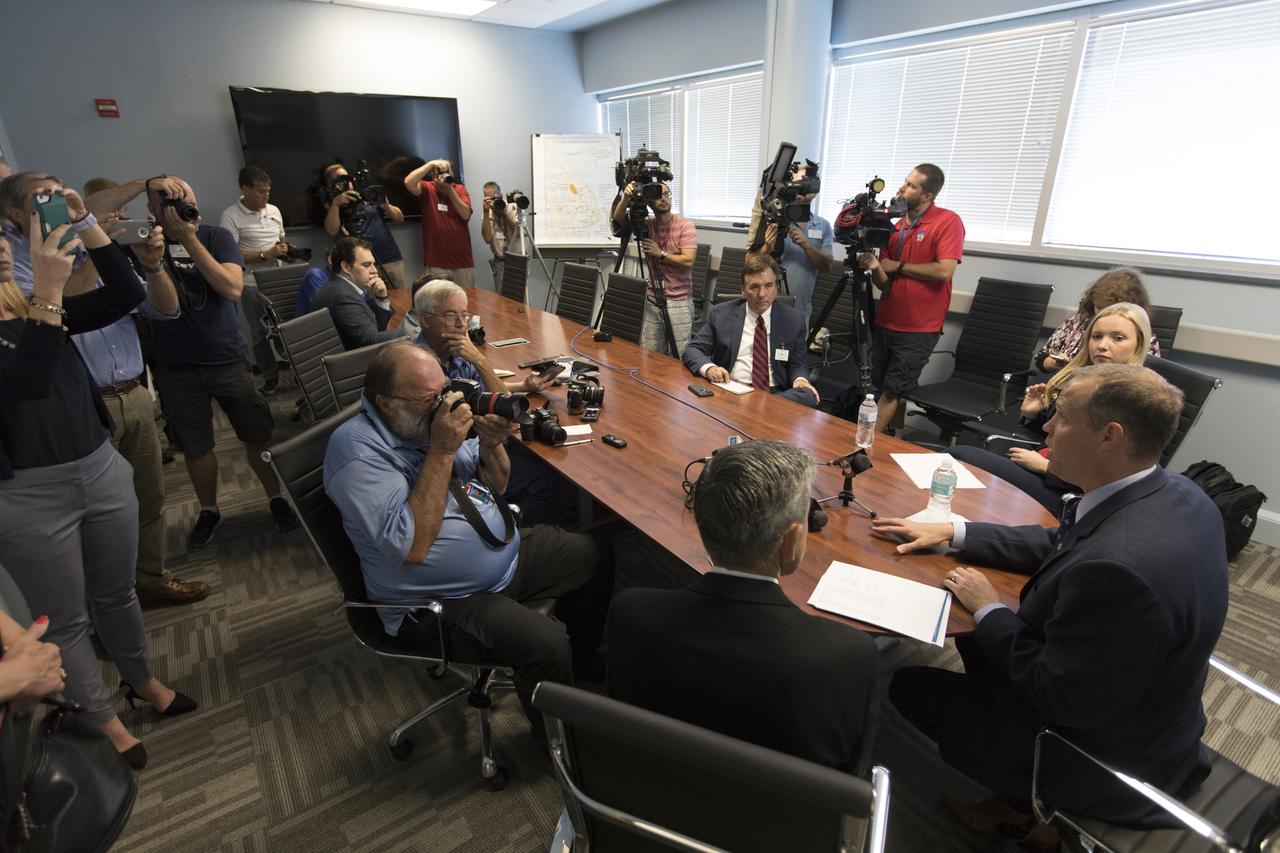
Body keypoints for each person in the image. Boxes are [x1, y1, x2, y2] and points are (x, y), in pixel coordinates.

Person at [873, 364, 1228, 836]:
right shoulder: (1178, 492)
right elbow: (1062, 542)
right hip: (1157, 711)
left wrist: (988, 608)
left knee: (906, 685)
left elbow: (1056, 693)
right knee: (980, 641)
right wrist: (954, 532)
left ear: (1109, 436)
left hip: (1103, 758)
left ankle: (1026, 809)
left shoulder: (1119, 572)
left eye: (1060, 418)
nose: (1045, 428)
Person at [322, 341, 613, 737]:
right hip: (436, 602)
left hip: (499, 555)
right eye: (430, 398)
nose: (445, 405)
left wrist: (492, 443)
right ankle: (563, 752)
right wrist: (442, 449)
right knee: (546, 643)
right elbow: (412, 546)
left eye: (444, 391)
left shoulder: (419, 421)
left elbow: (498, 483)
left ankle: (578, 666)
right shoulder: (357, 452)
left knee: (594, 554)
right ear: (386, 403)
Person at [0, 200, 197, 769]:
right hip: (27, 494)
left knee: (118, 592)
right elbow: (28, 382)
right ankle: (97, 715)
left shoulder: (29, 305)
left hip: (97, 465)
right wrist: (47, 293)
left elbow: (126, 295)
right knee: (64, 618)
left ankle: (142, 680)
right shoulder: (38, 305)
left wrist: (89, 227)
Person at [608, 439, 878, 772]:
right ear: (792, 540)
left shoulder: (631, 613)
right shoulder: (848, 654)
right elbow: (851, 773)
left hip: (650, 801)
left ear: (701, 523)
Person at [1, 172, 208, 607]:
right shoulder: (17, 262)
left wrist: (147, 263)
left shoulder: (91, 242)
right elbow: (49, 315)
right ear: (14, 214)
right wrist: (93, 255)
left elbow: (159, 308)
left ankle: (150, 580)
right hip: (83, 405)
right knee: (88, 525)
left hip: (134, 391)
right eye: (42, 200)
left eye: (60, 196)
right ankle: (99, 607)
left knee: (146, 502)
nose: (54, 205)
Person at [141, 176, 298, 549]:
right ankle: (209, 509)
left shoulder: (215, 237)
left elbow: (231, 287)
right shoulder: (145, 245)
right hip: (174, 365)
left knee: (256, 433)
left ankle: (276, 498)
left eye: (187, 199)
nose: (182, 207)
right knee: (195, 446)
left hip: (225, 358)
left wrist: (189, 237)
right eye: (170, 203)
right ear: (152, 210)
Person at [951, 302, 1153, 512]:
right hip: (1044, 464)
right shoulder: (1081, 379)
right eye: (1096, 336)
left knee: (960, 456)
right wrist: (1033, 414)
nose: (1102, 345)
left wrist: (1046, 468)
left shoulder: (1133, 399)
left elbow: (1115, 475)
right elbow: (1052, 433)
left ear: (1139, 345)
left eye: (1118, 338)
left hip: (1067, 492)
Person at [413, 279, 573, 526]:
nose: (461, 324)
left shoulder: (457, 355)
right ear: (425, 320)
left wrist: (479, 360)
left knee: (544, 464)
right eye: (451, 315)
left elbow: (504, 404)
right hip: (452, 463)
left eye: (465, 315)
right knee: (551, 480)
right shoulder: (420, 369)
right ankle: (508, 534)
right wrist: (478, 357)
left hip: (478, 446)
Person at [857, 164, 964, 433]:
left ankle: (863, 446)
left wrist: (899, 266)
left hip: (918, 328)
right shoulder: (895, 227)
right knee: (886, 389)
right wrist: (876, 266)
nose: (903, 188)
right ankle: (891, 443)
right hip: (888, 320)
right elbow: (885, 284)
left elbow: (944, 270)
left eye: (912, 186)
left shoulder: (947, 221)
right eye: (905, 182)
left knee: (893, 391)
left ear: (928, 196)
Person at [682, 255, 819, 407]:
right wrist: (710, 368)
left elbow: (798, 364)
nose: (762, 294)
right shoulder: (722, 314)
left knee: (808, 395)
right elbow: (693, 350)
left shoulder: (793, 320)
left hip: (776, 395)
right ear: (743, 290)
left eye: (768, 286)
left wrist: (800, 379)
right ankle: (762, 409)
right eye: (754, 287)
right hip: (732, 388)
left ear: (776, 287)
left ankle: (761, 407)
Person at [219, 166, 288, 394]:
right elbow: (228, 254)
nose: (266, 196)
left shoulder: (274, 210)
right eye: (260, 191)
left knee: (286, 329)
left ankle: (298, 373)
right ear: (244, 189)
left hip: (278, 279)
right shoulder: (231, 215)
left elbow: (281, 241)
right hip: (250, 283)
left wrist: (285, 251)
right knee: (260, 335)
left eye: (268, 191)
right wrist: (263, 255)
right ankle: (270, 378)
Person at [611, 182, 698, 356]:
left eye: (667, 194)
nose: (663, 198)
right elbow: (618, 220)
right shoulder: (647, 225)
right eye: (658, 195)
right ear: (649, 201)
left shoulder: (685, 225)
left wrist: (660, 254)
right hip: (652, 298)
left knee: (679, 356)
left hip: (678, 300)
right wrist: (626, 197)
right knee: (650, 355)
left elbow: (688, 260)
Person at [746, 166, 834, 323]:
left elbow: (826, 266)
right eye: (795, 182)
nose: (799, 187)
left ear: (814, 189)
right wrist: (767, 247)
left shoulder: (823, 225)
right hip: (767, 309)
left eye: (804, 182)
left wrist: (806, 246)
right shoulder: (774, 220)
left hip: (801, 311)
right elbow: (749, 262)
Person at [1037, 268, 1161, 373]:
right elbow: (1041, 359)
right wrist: (1054, 362)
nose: (1103, 313)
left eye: (1118, 338)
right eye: (1099, 307)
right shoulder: (1077, 323)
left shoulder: (1145, 338)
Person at [321, 163, 407, 289]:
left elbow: (399, 218)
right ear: (332, 184)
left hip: (390, 257)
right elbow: (332, 230)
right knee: (373, 302)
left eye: (348, 177)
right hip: (362, 264)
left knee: (400, 298)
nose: (347, 181)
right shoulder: (334, 203)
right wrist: (336, 204)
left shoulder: (367, 194)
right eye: (341, 179)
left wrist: (386, 205)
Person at [311, 237, 402, 351]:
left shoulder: (339, 287)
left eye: (374, 264)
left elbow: (376, 330)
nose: (374, 270)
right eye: (366, 265)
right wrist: (410, 332)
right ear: (346, 267)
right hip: (350, 364)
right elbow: (371, 341)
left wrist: (381, 298)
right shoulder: (342, 296)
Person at [402, 159, 474, 288]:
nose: (446, 175)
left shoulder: (460, 189)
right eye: (441, 172)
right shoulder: (427, 188)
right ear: (434, 177)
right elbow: (408, 182)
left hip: (462, 260)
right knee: (439, 303)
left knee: (468, 300)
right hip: (437, 261)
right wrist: (431, 164)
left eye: (448, 172)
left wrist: (450, 189)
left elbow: (465, 214)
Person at [480, 181, 519, 283]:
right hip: (500, 262)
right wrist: (486, 212)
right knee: (501, 297)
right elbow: (488, 239)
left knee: (520, 297)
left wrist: (503, 213)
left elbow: (517, 232)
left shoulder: (512, 206)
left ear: (500, 194)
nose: (493, 201)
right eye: (489, 198)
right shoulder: (487, 213)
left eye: (494, 197)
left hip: (518, 261)